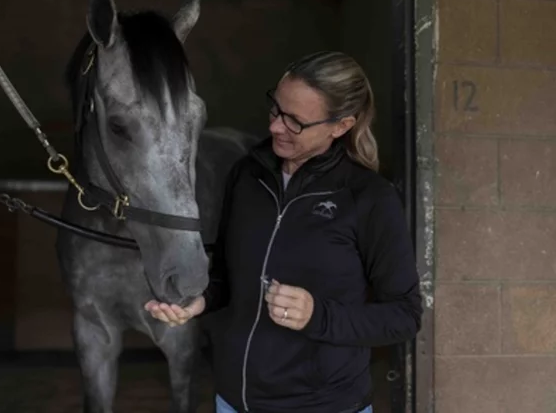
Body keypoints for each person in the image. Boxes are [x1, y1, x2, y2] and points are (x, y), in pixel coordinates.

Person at [144, 51, 423, 413]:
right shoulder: (247, 175)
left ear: (340, 126)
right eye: (276, 109)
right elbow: (226, 277)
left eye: (295, 122)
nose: (276, 126)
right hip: (233, 402)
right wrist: (198, 302)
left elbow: (404, 316)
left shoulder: (369, 199)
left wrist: (316, 315)